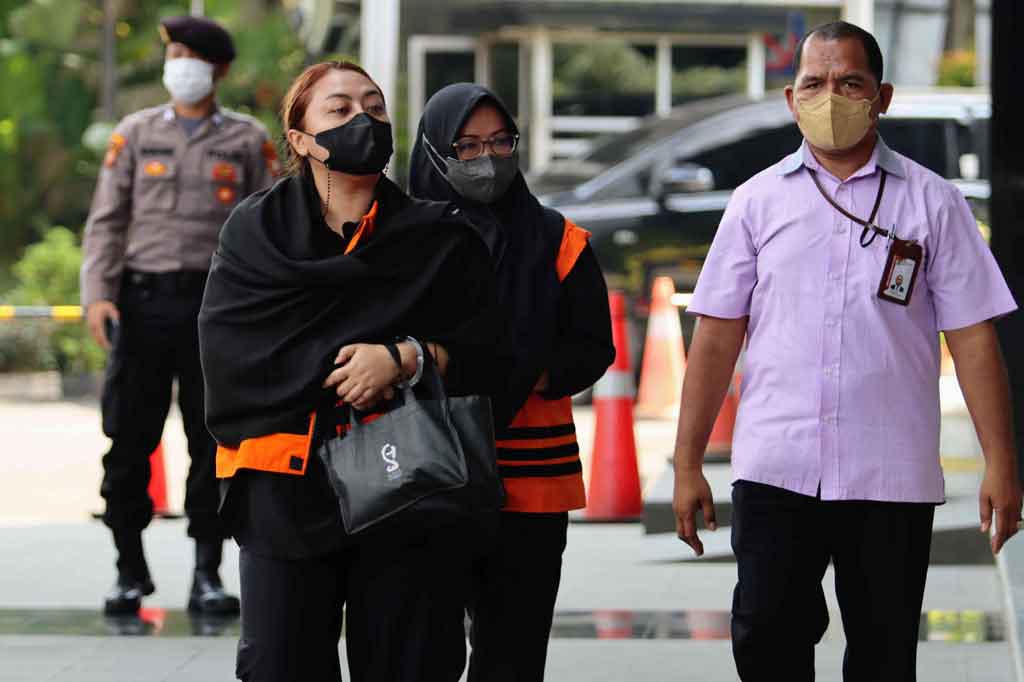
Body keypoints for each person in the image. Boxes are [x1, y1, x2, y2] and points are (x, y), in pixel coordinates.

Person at [672, 21, 1022, 682]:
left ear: (881, 96)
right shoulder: (755, 203)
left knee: (884, 658)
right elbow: (716, 337)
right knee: (767, 643)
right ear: (790, 97)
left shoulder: (934, 203)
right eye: (815, 83)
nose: (830, 96)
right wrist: (687, 462)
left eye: (849, 82)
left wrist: (1002, 464)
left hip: (889, 474)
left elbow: (974, 340)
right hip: (777, 469)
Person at [199, 62, 501, 682]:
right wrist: (343, 369)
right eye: (339, 110)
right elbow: (231, 357)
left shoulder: (437, 238)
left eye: (375, 107)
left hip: (406, 479)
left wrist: (402, 358)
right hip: (283, 477)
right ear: (301, 137)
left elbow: (489, 352)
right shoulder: (256, 234)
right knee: (280, 662)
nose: (363, 120)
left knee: (411, 661)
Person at [409, 83, 615, 682]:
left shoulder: (558, 239)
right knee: (424, 651)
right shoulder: (404, 241)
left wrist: (520, 372)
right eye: (467, 146)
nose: (487, 159)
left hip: (530, 480)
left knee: (514, 653)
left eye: (501, 142)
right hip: (428, 475)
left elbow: (592, 346)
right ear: (434, 152)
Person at [80, 15, 279, 616]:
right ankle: (128, 568)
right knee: (128, 437)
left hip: (216, 309)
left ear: (217, 69)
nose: (179, 65)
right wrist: (97, 294)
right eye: (173, 53)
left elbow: (266, 225)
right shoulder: (136, 134)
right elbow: (107, 221)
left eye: (190, 55)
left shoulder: (245, 140)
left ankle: (207, 574)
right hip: (141, 306)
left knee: (214, 441)